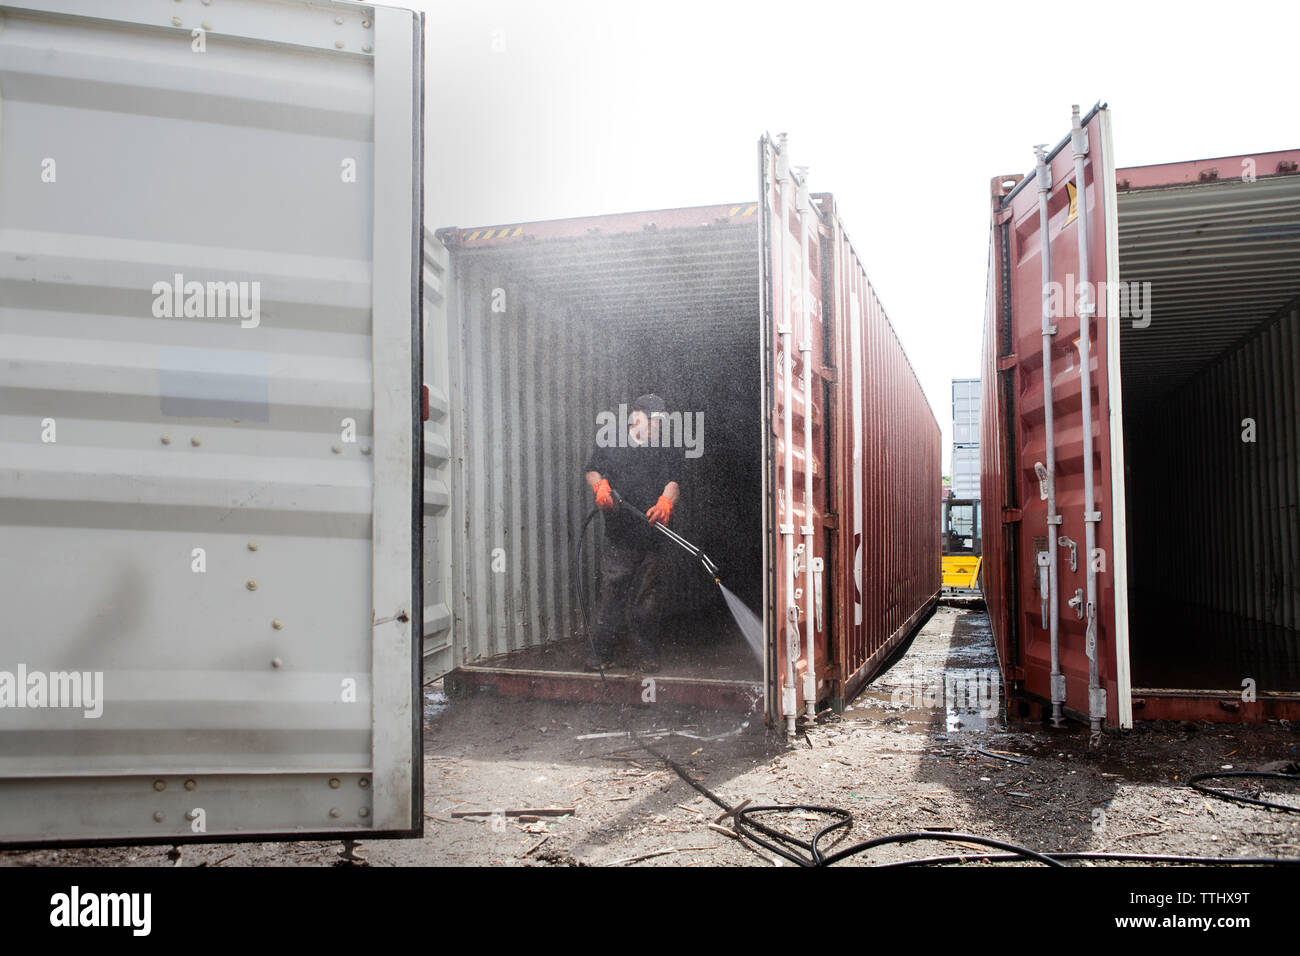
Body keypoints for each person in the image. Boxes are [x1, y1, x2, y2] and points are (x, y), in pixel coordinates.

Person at [582, 393, 680, 672]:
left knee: (647, 600)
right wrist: (599, 487)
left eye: (660, 423)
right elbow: (592, 470)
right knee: (611, 596)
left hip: (654, 537)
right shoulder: (611, 441)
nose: (656, 428)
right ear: (636, 417)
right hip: (619, 535)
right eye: (652, 422)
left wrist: (666, 502)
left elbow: (674, 482)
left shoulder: (665, 445)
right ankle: (600, 655)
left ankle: (645, 656)